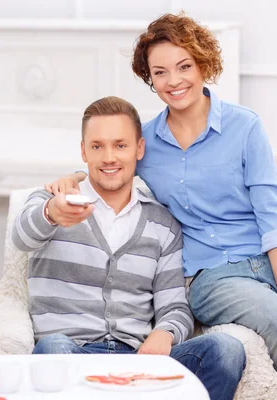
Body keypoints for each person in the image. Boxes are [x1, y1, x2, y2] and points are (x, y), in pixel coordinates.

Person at [46, 13, 277, 399]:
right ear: (149, 78)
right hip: (212, 274)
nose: (174, 81)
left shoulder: (244, 127)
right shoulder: (146, 141)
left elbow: (271, 211)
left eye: (184, 66)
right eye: (161, 72)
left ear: (203, 63)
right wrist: (70, 178)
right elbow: (111, 163)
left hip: (274, 256)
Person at [13, 95, 245, 400]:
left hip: (137, 361)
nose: (109, 157)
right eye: (97, 146)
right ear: (83, 151)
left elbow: (174, 305)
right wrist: (52, 214)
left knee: (225, 351)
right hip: (72, 354)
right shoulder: (51, 200)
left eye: (120, 145)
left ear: (139, 149)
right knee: (52, 350)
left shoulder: (162, 222)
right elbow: (21, 237)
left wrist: (165, 332)